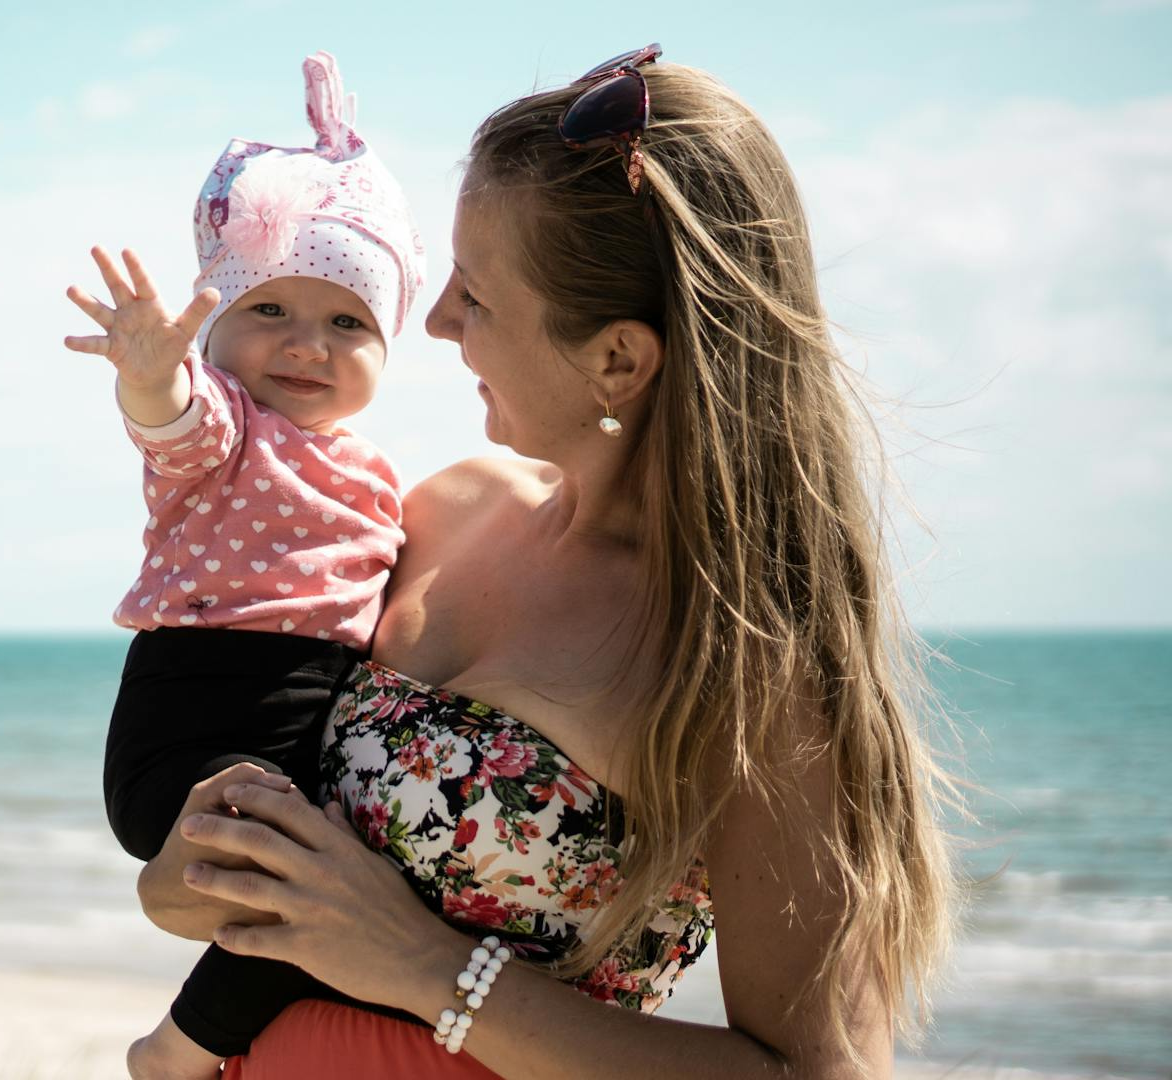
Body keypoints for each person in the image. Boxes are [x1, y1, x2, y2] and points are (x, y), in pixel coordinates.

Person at [130, 45, 963, 1079]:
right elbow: (222, 878)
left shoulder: (744, 662)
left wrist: (429, 969)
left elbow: (824, 1071)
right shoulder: (439, 514)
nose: (431, 326)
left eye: (472, 297)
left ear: (616, 358)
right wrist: (180, 877)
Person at [62, 52, 428, 1076]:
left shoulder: (378, 475)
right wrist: (149, 375)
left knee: (330, 903)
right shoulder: (227, 429)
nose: (306, 345)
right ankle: (177, 1052)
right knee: (294, 866)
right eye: (268, 310)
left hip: (304, 726)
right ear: (215, 326)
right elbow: (168, 424)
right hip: (192, 719)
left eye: (346, 322)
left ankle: (177, 1048)